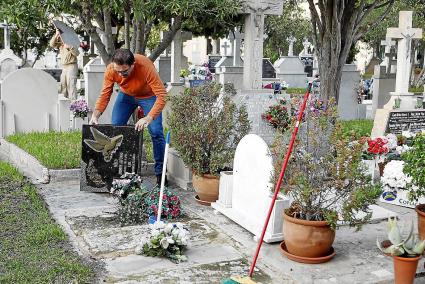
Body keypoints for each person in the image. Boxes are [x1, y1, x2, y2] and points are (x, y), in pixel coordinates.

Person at [89, 49, 167, 187]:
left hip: (148, 96)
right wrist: (96, 115)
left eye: (124, 72)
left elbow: (162, 95)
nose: (120, 75)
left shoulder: (146, 66)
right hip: (126, 96)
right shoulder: (111, 69)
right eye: (117, 71)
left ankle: (160, 173)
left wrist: (148, 118)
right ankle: (120, 172)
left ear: (133, 65)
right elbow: (105, 93)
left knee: (156, 132)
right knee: (116, 129)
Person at [49, 29, 79, 100]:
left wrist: (70, 47)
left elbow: (77, 53)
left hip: (72, 65)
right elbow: (51, 44)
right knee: (63, 85)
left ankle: (73, 104)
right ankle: (64, 104)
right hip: (64, 67)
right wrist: (56, 35)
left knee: (71, 84)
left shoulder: (72, 42)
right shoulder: (61, 43)